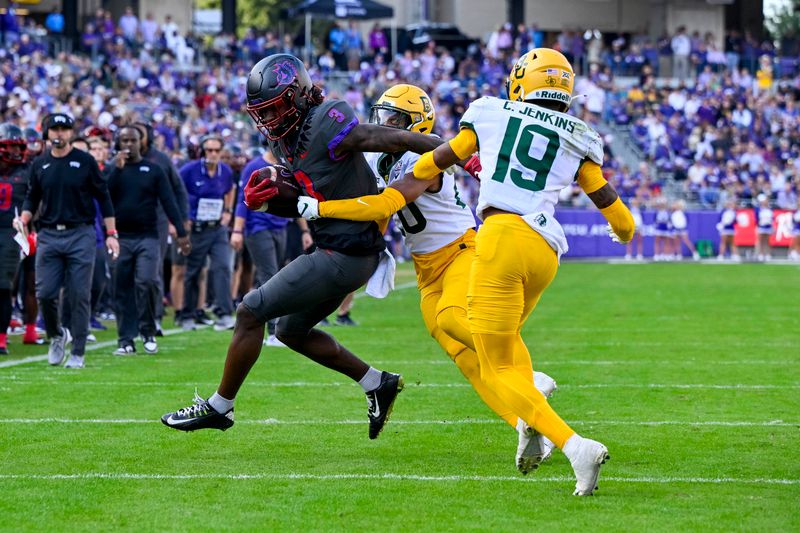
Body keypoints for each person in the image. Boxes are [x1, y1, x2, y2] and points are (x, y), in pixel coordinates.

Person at [161, 53, 444, 439]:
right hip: (339, 249)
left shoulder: (326, 118)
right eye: (262, 111)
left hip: (344, 254)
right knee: (291, 331)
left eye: (275, 108)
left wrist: (443, 146)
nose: (268, 119)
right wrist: (273, 197)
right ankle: (377, 383)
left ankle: (219, 407)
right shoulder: (286, 139)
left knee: (249, 312)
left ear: (296, 95)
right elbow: (307, 200)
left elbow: (377, 136)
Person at [298, 84, 559, 473]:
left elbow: (384, 204)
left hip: (460, 252)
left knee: (453, 319)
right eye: (382, 116)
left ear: (416, 124)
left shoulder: (426, 160)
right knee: (467, 361)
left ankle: (529, 377)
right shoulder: (379, 162)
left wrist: (321, 209)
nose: (384, 125)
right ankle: (529, 424)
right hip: (425, 267)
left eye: (395, 119)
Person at [408, 48, 635, 495]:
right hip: (545, 252)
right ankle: (533, 411)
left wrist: (426, 167)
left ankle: (573, 445)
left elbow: (432, 162)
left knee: (497, 366)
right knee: (506, 347)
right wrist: (622, 236)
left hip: (501, 240)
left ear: (521, 81)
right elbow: (621, 220)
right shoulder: (579, 135)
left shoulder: (490, 113)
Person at [15, 113, 119, 369]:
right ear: (47, 134)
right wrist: (24, 218)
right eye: (55, 129)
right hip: (49, 234)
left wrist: (112, 234)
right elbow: (32, 196)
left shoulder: (84, 161)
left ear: (70, 133)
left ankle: (78, 352)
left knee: (78, 293)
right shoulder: (40, 164)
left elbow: (104, 198)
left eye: (64, 129)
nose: (59, 133)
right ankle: (57, 335)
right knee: (46, 293)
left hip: (80, 233)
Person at [107, 126, 191, 355]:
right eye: (123, 140)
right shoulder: (113, 169)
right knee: (121, 287)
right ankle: (125, 339)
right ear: (117, 143)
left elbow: (169, 201)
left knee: (146, 281)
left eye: (132, 140)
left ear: (140, 143)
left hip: (148, 236)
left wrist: (182, 232)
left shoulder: (153, 169)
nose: (128, 144)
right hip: (120, 237)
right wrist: (115, 169)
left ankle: (147, 331)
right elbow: (103, 196)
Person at [229, 147, 306, 347]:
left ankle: (271, 325)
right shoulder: (253, 166)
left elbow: (298, 199)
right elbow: (242, 200)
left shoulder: (286, 166)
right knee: (269, 275)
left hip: (280, 226)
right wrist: (237, 231)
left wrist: (305, 231)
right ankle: (273, 331)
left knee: (276, 275)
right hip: (257, 227)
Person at [177, 134, 236, 331]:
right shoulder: (189, 170)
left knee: (222, 267)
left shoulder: (225, 171)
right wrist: (182, 219)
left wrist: (228, 211)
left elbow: (231, 189)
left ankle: (224, 313)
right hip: (196, 229)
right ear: (203, 151)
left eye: (216, 150)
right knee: (193, 272)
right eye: (209, 150)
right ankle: (187, 314)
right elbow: (175, 189)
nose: (212, 154)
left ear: (221, 152)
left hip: (217, 228)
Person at [0, 124, 30, 354]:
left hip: (11, 234)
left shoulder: (27, 172)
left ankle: (1, 337)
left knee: (3, 286)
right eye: (10, 148)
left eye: (18, 148)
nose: (16, 153)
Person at [754, 193, 773, 261]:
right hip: (761, 227)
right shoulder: (758, 209)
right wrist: (758, 225)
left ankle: (768, 254)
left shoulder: (769, 209)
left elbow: (772, 218)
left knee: (767, 241)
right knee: (761, 241)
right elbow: (756, 219)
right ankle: (761, 254)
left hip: (768, 227)